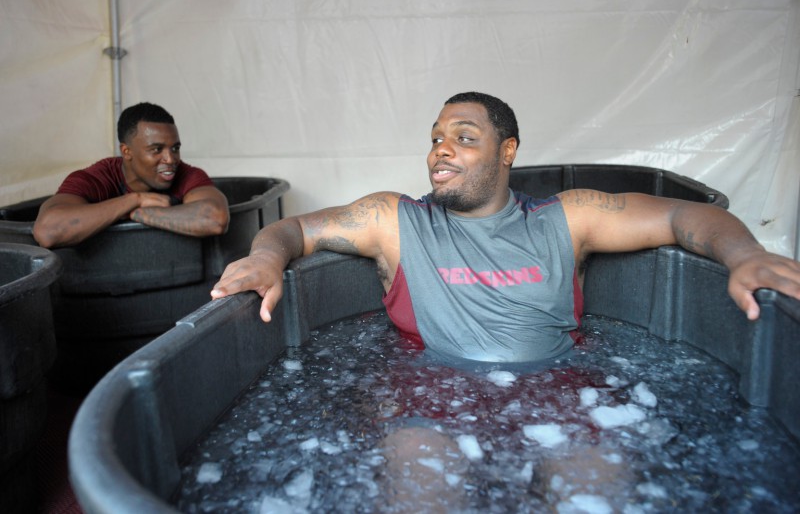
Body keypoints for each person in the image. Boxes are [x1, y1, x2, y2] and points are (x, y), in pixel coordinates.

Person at [211, 92, 800, 364]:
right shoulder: (393, 220)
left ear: (508, 150)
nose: (441, 150)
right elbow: (292, 231)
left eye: (465, 137)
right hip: (430, 396)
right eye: (436, 138)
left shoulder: (566, 218)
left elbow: (680, 214)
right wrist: (266, 258)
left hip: (558, 394)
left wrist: (744, 253)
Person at [33, 102, 229, 248]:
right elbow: (48, 231)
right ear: (127, 152)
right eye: (156, 149)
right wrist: (134, 199)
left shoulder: (188, 174)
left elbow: (215, 218)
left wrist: (133, 212)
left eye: (175, 148)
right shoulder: (96, 178)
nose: (170, 159)